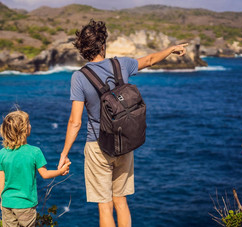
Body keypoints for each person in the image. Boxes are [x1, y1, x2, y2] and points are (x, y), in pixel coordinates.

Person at [57, 19, 188, 227]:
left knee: (105, 206)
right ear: (102, 45)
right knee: (121, 201)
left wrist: (64, 153)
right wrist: (171, 49)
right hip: (125, 143)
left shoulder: (79, 77)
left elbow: (75, 122)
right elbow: (151, 59)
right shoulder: (121, 64)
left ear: (83, 49)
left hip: (98, 147)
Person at [0, 110, 71, 227]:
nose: (30, 126)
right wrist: (61, 171)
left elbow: (1, 179)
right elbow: (45, 174)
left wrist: (2, 199)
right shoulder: (34, 152)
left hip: (7, 203)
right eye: (28, 123)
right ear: (24, 130)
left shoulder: (3, 153)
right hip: (26, 205)